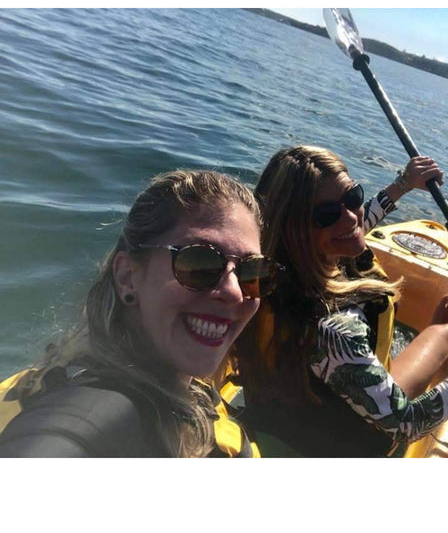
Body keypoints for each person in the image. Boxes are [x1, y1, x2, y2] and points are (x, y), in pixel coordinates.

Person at [233, 146, 448, 457]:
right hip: (341, 444)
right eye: (326, 215)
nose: (351, 216)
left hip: (277, 420)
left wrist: (403, 184)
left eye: (353, 197)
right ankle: (437, 336)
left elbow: (353, 227)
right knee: (445, 333)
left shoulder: (263, 275)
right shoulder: (335, 330)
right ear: (294, 229)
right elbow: (407, 423)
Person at [0, 169, 283, 457]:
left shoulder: (173, 370)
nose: (235, 291)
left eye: (251, 271)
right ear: (128, 277)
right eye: (200, 263)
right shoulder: (99, 408)